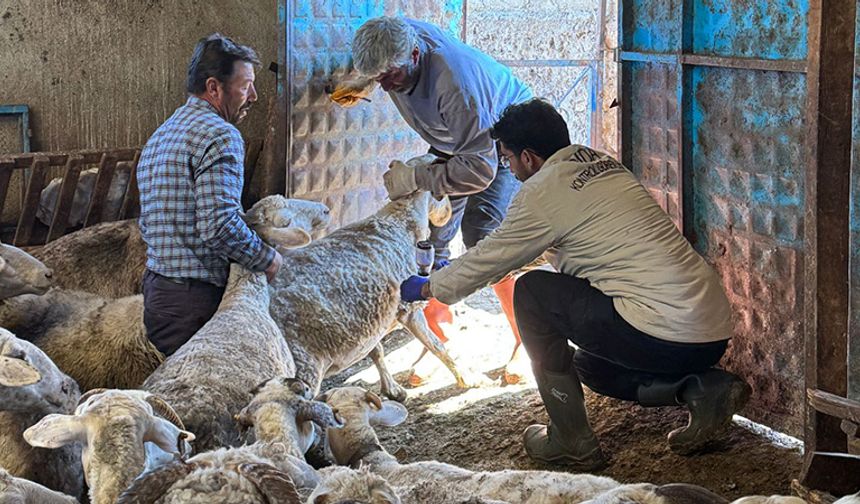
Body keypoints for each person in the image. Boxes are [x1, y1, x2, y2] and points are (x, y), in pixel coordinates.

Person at [399, 99, 751, 469]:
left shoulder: (541, 193)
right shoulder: (598, 162)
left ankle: (570, 440)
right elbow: (554, 244)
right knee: (591, 367)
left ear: (530, 158)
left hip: (661, 332)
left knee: (532, 293)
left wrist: (428, 287)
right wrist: (479, 267)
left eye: (508, 159)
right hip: (708, 333)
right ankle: (700, 388)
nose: (510, 170)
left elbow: (494, 255)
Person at [333, 16, 534, 382]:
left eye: (389, 75)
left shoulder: (454, 86)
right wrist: (363, 78)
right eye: (377, 77)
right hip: (453, 139)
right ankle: (439, 336)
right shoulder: (398, 41)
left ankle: (527, 342)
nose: (385, 86)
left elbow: (479, 171)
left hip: (499, 138)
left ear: (413, 54)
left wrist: (415, 176)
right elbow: (383, 58)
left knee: (485, 235)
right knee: (431, 238)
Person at [137, 33, 282, 357]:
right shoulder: (220, 134)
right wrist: (268, 259)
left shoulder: (162, 134)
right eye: (246, 86)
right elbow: (219, 225)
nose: (254, 96)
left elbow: (148, 222)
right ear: (214, 87)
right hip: (196, 303)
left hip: (160, 294)